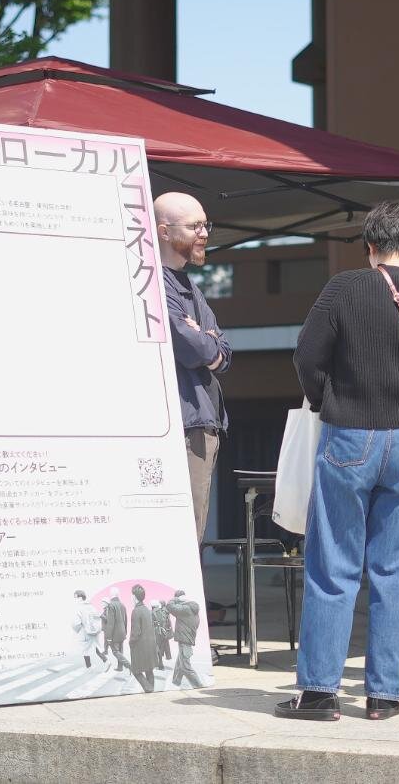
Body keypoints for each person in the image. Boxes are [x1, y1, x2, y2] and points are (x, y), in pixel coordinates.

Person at [279, 201, 399, 723]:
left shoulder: (344, 288)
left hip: (351, 435)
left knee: (333, 566)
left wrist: (328, 400)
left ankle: (320, 693)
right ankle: (385, 695)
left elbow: (306, 356)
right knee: (396, 571)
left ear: (370, 245)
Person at [156, 192, 232, 540]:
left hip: (201, 420)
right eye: (194, 226)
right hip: (183, 423)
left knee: (192, 529)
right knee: (184, 534)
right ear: (164, 232)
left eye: (205, 224)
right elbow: (191, 344)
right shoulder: (154, 283)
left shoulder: (189, 285)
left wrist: (208, 342)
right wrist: (207, 342)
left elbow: (223, 351)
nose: (204, 233)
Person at [164, 590, 205, 690]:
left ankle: (198, 685)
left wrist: (175, 599)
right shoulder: (192, 608)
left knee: (185, 666)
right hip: (187, 637)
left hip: (184, 639)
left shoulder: (185, 609)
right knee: (180, 661)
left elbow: (170, 607)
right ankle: (176, 681)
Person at [128, 584, 157, 693]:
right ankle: (151, 689)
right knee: (149, 670)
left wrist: (130, 642)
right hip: (151, 645)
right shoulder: (147, 609)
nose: (131, 597)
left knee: (136, 670)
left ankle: (149, 688)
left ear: (134, 596)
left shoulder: (136, 611)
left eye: (132, 595)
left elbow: (136, 632)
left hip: (140, 646)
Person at [71, 590, 104, 670]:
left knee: (84, 649)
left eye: (75, 597)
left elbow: (76, 622)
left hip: (85, 631)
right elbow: (97, 617)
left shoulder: (79, 608)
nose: (75, 599)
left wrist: (76, 628)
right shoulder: (91, 606)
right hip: (94, 630)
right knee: (97, 646)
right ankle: (106, 661)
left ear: (80, 597)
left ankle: (89, 666)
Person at [100, 590, 130, 673]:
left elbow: (110, 623)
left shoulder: (111, 605)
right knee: (120, 650)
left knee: (115, 651)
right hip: (122, 632)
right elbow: (126, 620)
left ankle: (129, 665)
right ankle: (120, 667)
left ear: (111, 595)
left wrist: (108, 637)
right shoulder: (123, 605)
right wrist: (125, 631)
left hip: (114, 634)